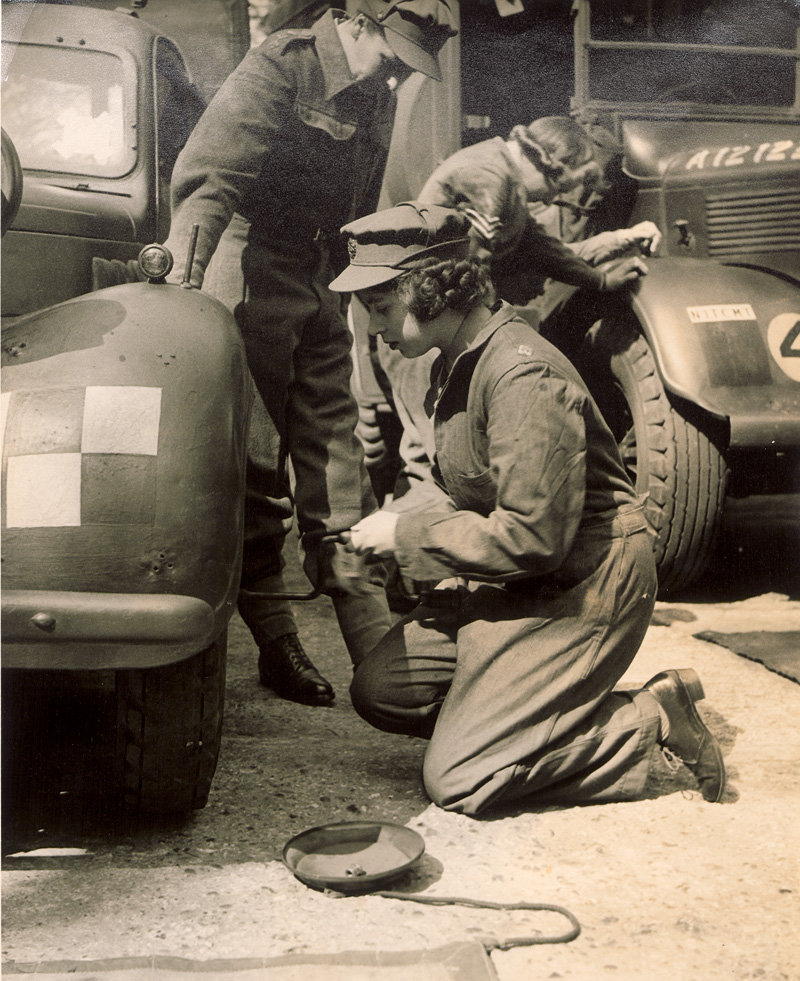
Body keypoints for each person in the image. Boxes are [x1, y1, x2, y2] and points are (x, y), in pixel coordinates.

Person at [330, 202, 726, 815]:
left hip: (586, 585)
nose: (374, 328)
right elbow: (458, 483)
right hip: (524, 578)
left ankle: (648, 723)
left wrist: (408, 538)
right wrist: (382, 529)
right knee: (385, 691)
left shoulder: (521, 374)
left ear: (431, 291)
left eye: (381, 308)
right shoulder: (456, 363)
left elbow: (534, 537)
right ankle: (519, 712)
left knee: (460, 780)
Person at [163, 1, 457, 706]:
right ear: (357, 22)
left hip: (319, 276)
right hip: (250, 265)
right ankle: (274, 635)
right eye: (391, 55)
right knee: (260, 466)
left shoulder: (378, 88)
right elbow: (210, 180)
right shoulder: (283, 63)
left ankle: (382, 661)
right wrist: (182, 289)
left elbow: (357, 204)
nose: (395, 76)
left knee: (340, 456)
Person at [353, 116, 661, 513]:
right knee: (442, 455)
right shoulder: (490, 179)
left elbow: (542, 248)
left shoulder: (507, 182)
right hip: (420, 328)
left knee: (433, 451)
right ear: (544, 163)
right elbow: (468, 276)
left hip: (434, 328)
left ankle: (420, 553)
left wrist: (600, 279)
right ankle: (430, 555)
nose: (552, 201)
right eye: (557, 188)